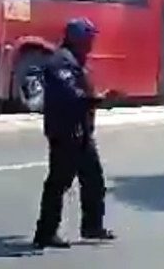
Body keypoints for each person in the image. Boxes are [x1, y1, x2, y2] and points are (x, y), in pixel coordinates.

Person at [33, 18, 115, 249]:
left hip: (81, 132)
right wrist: (99, 99)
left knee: (93, 180)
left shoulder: (77, 60)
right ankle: (45, 232)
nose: (92, 43)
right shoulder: (61, 61)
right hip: (66, 132)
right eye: (89, 38)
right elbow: (70, 95)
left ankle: (92, 226)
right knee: (59, 182)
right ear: (77, 38)